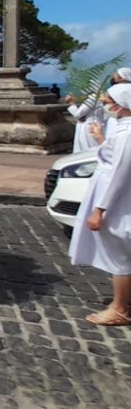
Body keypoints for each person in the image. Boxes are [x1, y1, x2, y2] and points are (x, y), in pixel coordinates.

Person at [68, 82, 131, 326]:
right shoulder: (123, 130)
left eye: (106, 102)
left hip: (116, 203)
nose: (105, 106)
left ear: (121, 105)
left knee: (119, 255)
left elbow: (119, 173)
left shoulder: (126, 133)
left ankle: (120, 308)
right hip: (113, 197)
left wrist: (100, 209)